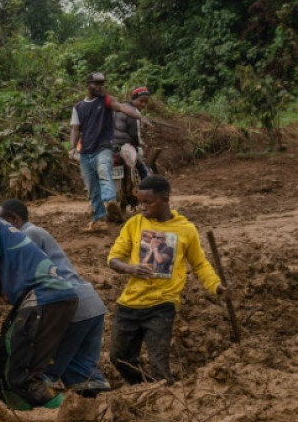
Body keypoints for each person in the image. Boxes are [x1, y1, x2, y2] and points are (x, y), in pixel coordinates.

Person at [0, 190, 78, 409]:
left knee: (21, 376)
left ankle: (70, 412)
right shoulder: (3, 226)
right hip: (56, 296)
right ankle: (16, 413)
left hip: (44, 296)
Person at [107, 175, 226, 385]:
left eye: (148, 202)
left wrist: (216, 286)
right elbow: (113, 258)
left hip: (162, 305)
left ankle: (164, 393)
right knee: (119, 358)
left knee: (158, 363)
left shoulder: (185, 230)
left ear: (165, 199)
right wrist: (130, 268)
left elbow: (200, 264)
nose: (142, 207)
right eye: (140, 202)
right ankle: (146, 388)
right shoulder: (134, 224)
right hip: (130, 304)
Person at [0, 199, 110, 396]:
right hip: (91, 305)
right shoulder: (37, 233)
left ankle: (40, 411)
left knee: (41, 368)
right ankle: (102, 410)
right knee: (83, 372)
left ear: (13, 219)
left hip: (70, 307)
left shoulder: (27, 235)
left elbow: (21, 273)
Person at [69, 72, 151, 230]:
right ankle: (99, 218)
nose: (100, 87)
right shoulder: (78, 107)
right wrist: (72, 147)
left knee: (104, 173)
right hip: (86, 151)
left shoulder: (107, 100)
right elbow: (75, 129)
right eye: (96, 84)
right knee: (92, 186)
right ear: (88, 85)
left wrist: (139, 117)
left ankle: (110, 202)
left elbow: (122, 107)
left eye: (102, 84)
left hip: (104, 148)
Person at [113, 86, 152, 180]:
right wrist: (140, 145)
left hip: (109, 146)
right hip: (124, 147)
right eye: (141, 101)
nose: (143, 104)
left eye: (145, 102)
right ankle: (146, 188)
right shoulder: (134, 112)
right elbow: (135, 135)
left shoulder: (119, 108)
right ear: (133, 99)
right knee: (145, 170)